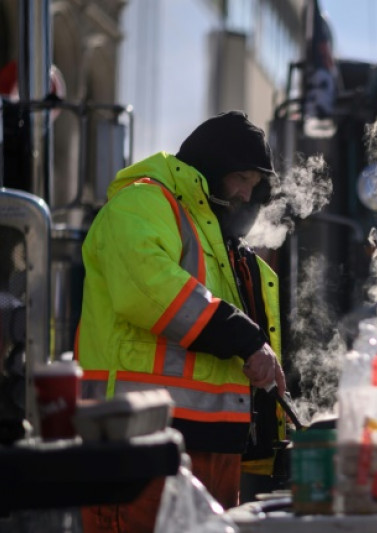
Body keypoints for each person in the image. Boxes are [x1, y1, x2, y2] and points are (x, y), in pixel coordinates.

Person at [76, 111, 287, 532]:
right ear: (210, 169)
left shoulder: (226, 247)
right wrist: (246, 337)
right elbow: (149, 288)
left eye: (255, 183)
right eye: (240, 178)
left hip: (213, 451)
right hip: (140, 444)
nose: (248, 194)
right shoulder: (144, 201)